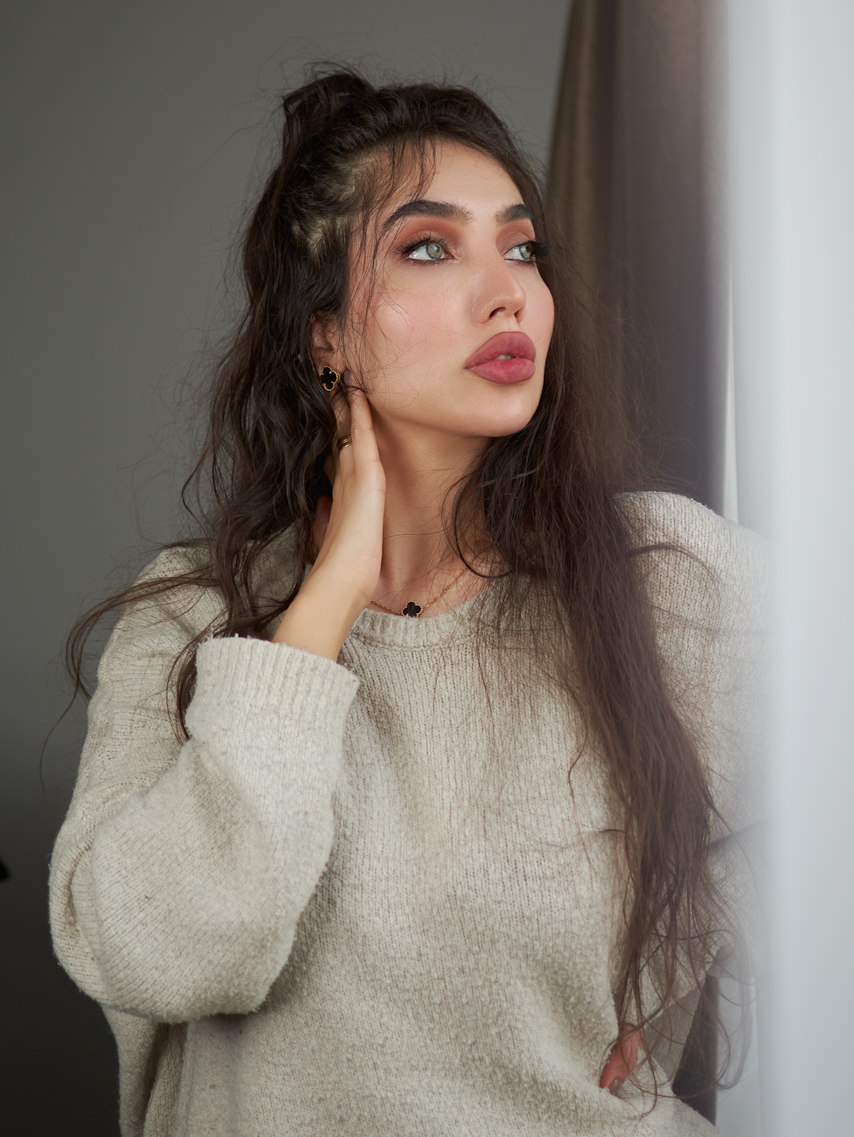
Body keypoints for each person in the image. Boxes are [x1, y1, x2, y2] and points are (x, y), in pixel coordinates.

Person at [51, 69, 770, 1137]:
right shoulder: (188, 615)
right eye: (429, 247)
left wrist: (675, 953)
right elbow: (154, 956)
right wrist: (320, 610)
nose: (507, 291)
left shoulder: (670, 578)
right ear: (324, 334)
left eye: (520, 248)